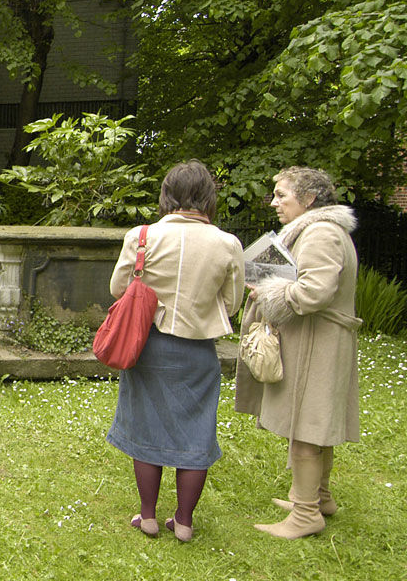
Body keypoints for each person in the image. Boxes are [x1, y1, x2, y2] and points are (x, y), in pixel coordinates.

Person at [105, 160, 244, 542]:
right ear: (208, 198)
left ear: (166, 195)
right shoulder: (228, 244)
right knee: (196, 432)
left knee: (145, 425)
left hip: (147, 345)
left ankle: (148, 517)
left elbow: (119, 289)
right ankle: (183, 522)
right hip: (198, 351)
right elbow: (231, 304)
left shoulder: (142, 236)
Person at [236, 166, 360, 539]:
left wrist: (268, 292)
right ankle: (318, 497)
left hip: (316, 343)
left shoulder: (321, 233)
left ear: (308, 199)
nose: (274, 202)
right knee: (315, 423)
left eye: (281, 195)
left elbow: (315, 292)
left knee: (307, 426)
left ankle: (306, 514)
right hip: (317, 339)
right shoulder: (321, 230)